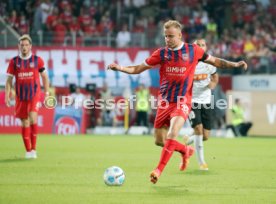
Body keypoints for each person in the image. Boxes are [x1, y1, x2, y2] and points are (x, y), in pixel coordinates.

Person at [108, 20, 247, 184]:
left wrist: (235, 64)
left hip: (183, 101)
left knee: (172, 134)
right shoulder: (161, 54)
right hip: (165, 103)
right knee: (160, 141)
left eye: (171, 36)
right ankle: (186, 150)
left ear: (180, 35)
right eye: (166, 36)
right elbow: (138, 68)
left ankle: (158, 171)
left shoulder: (193, 50)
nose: (168, 39)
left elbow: (216, 61)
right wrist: (121, 68)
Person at [5, 34, 50, 159]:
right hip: (20, 96)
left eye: (26, 45)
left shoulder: (38, 60)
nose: (24, 47)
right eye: (22, 45)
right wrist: (7, 95)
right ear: (19, 46)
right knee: (24, 122)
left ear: (30, 46)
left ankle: (34, 149)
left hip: (34, 94)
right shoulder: (14, 62)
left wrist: (46, 93)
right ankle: (28, 150)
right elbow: (9, 80)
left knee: (32, 117)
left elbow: (45, 77)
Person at [184, 39, 219, 171]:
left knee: (205, 136)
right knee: (198, 129)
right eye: (197, 45)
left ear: (205, 47)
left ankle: (189, 139)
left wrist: (213, 84)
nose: (200, 47)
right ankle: (202, 162)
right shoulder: (187, 63)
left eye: (203, 45)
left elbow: (215, 77)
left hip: (206, 101)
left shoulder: (210, 63)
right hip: (192, 101)